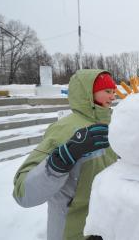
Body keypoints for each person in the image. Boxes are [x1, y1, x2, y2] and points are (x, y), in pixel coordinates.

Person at [13, 69, 119, 240]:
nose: (113, 97)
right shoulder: (64, 129)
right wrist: (62, 159)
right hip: (71, 229)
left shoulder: (114, 124)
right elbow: (22, 193)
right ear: (87, 93)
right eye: (107, 91)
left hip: (105, 226)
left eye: (114, 91)